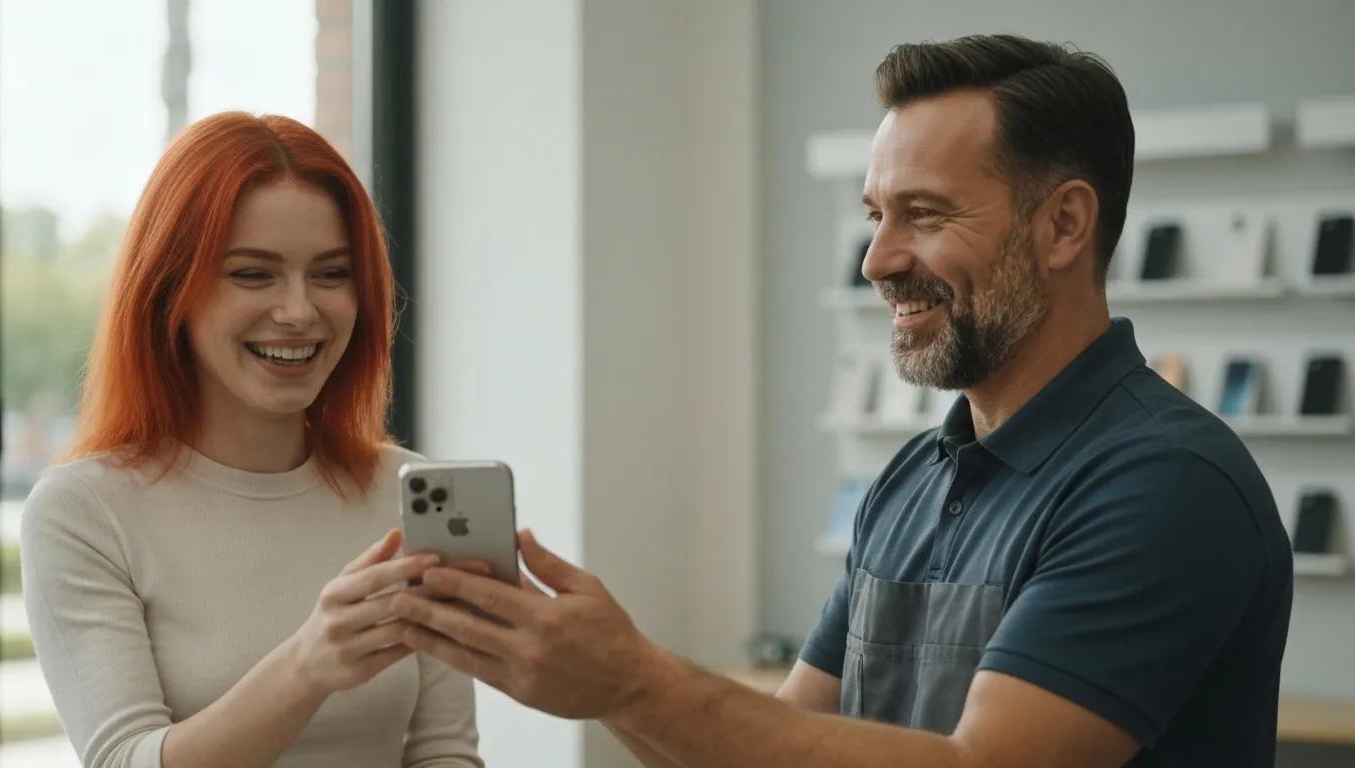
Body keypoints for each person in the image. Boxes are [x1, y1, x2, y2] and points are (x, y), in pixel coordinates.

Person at [388, 34, 1293, 767]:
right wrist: (585, 675)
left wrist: (631, 682)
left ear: (1064, 225)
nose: (878, 260)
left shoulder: (1164, 483)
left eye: (926, 215)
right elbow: (769, 751)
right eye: (876, 216)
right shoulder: (911, 480)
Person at [21, 112, 484, 768]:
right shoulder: (83, 510)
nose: (299, 311)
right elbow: (123, 759)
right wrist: (309, 665)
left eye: (330, 274)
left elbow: (445, 753)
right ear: (170, 291)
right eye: (252, 274)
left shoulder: (409, 492)